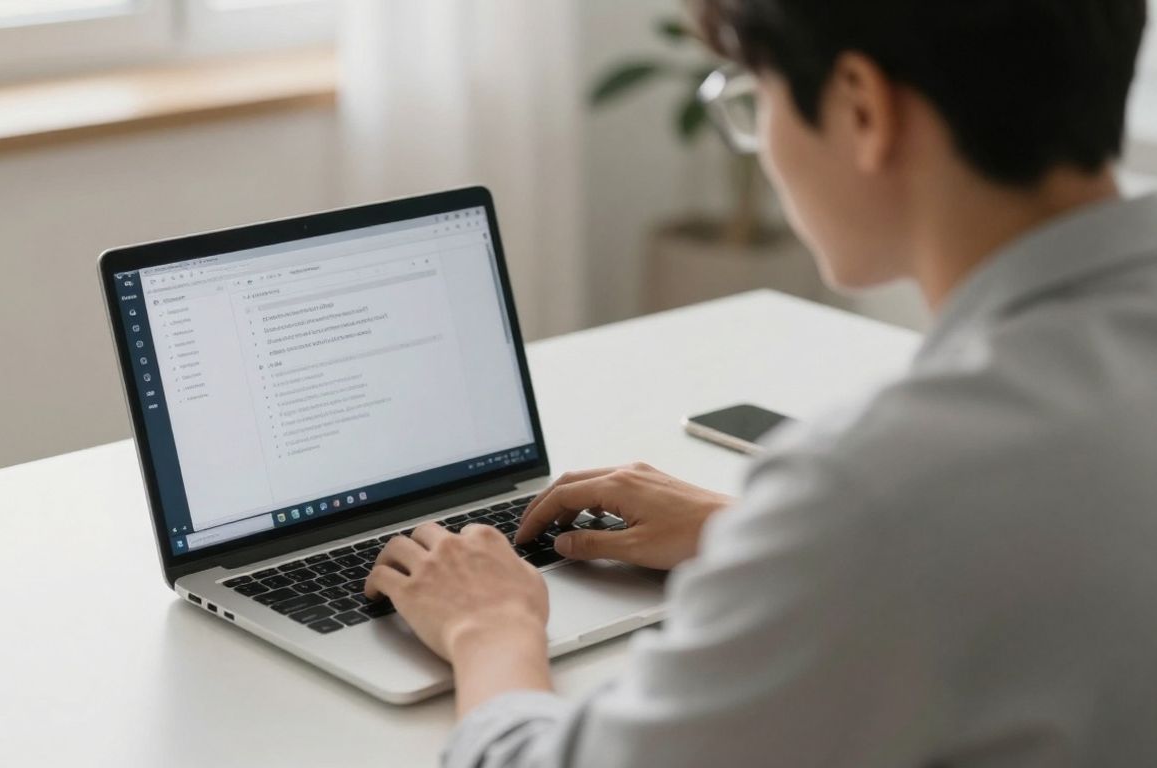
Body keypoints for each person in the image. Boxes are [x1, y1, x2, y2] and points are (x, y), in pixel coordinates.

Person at [362, 0, 1157, 764]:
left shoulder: (876, 486)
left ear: (862, 108)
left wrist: (488, 627)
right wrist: (756, 536)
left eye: (758, 98)